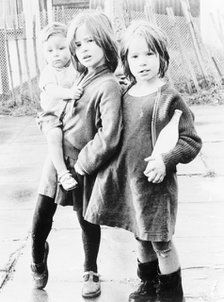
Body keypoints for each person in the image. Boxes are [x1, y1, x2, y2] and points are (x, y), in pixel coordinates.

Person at [85, 20, 202, 302]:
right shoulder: (123, 93)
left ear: (162, 56)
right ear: (125, 60)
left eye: (149, 54)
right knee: (139, 235)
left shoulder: (169, 98)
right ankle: (148, 286)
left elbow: (190, 141)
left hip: (156, 186)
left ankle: (172, 293)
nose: (142, 62)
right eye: (134, 56)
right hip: (129, 183)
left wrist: (166, 159)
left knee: (160, 240)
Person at [30, 11, 122, 299]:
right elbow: (56, 107)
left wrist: (83, 165)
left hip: (83, 165)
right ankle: (36, 255)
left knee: (87, 220)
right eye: (78, 44)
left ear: (106, 43)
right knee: (41, 215)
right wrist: (46, 121)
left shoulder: (106, 84)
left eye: (90, 41)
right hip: (57, 160)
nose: (82, 49)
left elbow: (109, 135)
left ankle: (90, 269)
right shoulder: (82, 75)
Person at [36, 22, 83, 191]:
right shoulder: (48, 72)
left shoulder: (75, 67)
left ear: (70, 47)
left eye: (61, 48)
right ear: (44, 54)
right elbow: (52, 89)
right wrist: (69, 93)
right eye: (50, 51)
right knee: (55, 136)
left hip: (68, 113)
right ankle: (63, 174)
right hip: (51, 115)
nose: (56, 54)